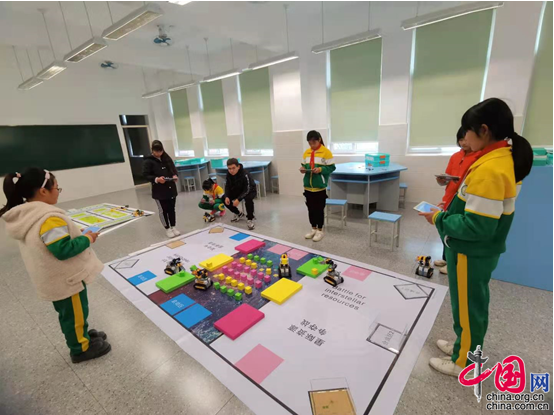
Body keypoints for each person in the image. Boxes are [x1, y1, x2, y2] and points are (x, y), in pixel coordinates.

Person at [419, 98, 533, 377]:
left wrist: (439, 218)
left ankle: (465, 362)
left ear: (483, 130)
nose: (464, 139)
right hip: (474, 250)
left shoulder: (491, 168)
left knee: (469, 308)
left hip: (472, 251)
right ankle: (464, 346)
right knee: (468, 304)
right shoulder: (497, 158)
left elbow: (477, 226)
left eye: (467, 131)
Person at [0, 168, 112, 363]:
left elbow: (54, 240)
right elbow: (63, 249)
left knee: (75, 311)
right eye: (57, 188)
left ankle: (82, 335)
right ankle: (80, 349)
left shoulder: (30, 214)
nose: (58, 192)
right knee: (73, 314)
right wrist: (87, 238)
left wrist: (76, 233)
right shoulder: (49, 218)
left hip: (54, 278)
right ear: (43, 191)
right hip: (65, 280)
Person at [433, 127, 481, 275]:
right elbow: (447, 178)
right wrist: (442, 180)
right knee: (444, 230)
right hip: (449, 198)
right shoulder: (455, 156)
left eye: (466, 139)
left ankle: (453, 263)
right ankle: (446, 258)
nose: (463, 143)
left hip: (463, 200)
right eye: (460, 140)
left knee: (456, 232)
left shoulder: (479, 157)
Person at [300, 130, 336, 242]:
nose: (312, 145)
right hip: (308, 187)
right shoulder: (306, 152)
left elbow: (331, 168)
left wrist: (320, 169)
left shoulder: (326, 152)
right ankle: (313, 229)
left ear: (319, 140)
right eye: (310, 143)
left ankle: (320, 230)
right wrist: (302, 169)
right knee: (310, 209)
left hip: (319, 187)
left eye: (314, 142)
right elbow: (303, 165)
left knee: (319, 209)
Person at [143, 140, 180, 238]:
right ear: (152, 150)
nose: (159, 153)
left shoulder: (166, 157)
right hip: (159, 191)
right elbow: (146, 175)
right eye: (156, 151)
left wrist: (174, 175)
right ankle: (167, 228)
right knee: (163, 210)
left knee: (172, 208)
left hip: (170, 188)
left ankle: (173, 226)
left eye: (161, 151)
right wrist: (157, 179)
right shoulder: (148, 161)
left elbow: (173, 169)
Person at [223, 158, 257, 230]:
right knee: (223, 198)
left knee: (248, 199)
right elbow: (227, 186)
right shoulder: (228, 174)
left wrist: (238, 199)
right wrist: (227, 196)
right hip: (238, 190)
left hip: (250, 190)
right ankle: (238, 213)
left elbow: (247, 189)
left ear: (238, 167)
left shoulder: (245, 174)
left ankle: (250, 218)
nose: (231, 171)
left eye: (233, 168)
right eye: (229, 168)